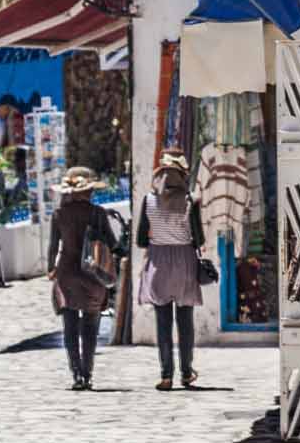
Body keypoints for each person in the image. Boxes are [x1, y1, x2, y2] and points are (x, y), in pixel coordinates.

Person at [136, 151, 206, 390]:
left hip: (158, 263)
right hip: (184, 263)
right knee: (185, 322)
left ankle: (166, 375)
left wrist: (159, 235)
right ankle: (186, 373)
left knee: (163, 323)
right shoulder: (190, 200)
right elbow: (198, 238)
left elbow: (141, 240)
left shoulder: (148, 200)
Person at [46, 167, 119, 390]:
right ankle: (87, 373)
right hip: (93, 276)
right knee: (90, 327)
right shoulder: (98, 213)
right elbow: (112, 243)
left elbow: (53, 247)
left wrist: (50, 269)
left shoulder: (59, 215)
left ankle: (76, 374)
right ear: (89, 191)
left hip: (67, 273)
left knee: (69, 327)